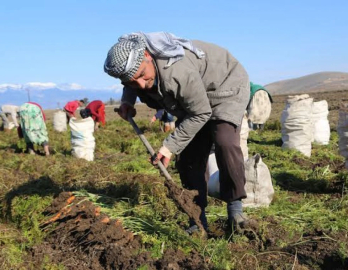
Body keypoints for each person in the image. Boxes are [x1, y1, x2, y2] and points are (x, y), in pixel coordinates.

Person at [104, 32, 250, 233]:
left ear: (148, 56)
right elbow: (130, 78)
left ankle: (236, 211)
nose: (139, 84)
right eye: (131, 82)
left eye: (140, 76)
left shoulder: (176, 72)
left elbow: (201, 113)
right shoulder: (137, 70)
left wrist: (169, 146)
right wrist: (127, 101)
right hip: (194, 99)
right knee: (189, 156)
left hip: (224, 87)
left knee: (224, 141)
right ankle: (196, 218)